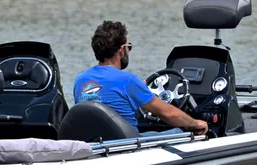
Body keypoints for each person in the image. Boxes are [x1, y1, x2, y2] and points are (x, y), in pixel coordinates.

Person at [73, 20, 208, 136]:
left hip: (96, 144)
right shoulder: (128, 81)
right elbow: (168, 114)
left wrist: (139, 91)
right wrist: (195, 123)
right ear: (121, 50)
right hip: (126, 145)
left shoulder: (81, 80)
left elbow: (111, 105)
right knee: (182, 132)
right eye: (128, 47)